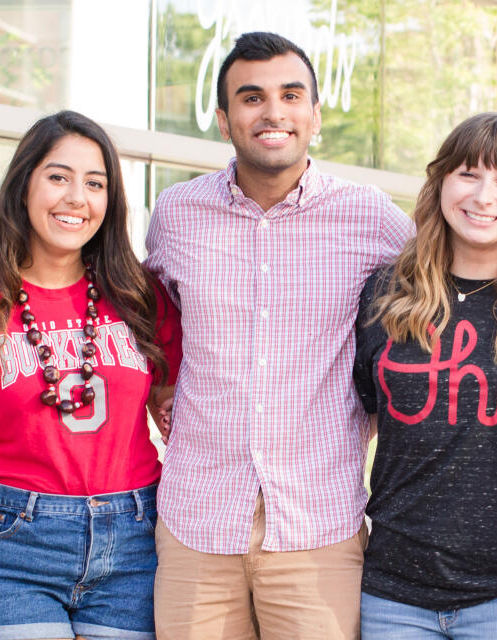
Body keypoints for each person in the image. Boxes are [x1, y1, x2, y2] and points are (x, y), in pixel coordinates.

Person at [142, 31, 415, 639]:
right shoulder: (176, 213)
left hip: (319, 528)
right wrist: (161, 380)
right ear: (223, 118)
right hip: (197, 524)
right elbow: (146, 314)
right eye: (251, 97)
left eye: (291, 95)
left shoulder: (372, 218)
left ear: (315, 115)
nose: (273, 112)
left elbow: (443, 291)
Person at [0, 111, 181, 640]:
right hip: (12, 545)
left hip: (134, 540)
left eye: (95, 183)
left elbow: (174, 408)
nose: (76, 198)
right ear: (24, 186)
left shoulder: (141, 296)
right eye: (58, 177)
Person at [351, 113, 497, 639]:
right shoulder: (386, 294)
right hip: (395, 589)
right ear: (440, 184)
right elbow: (368, 410)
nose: (484, 196)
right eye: (468, 174)